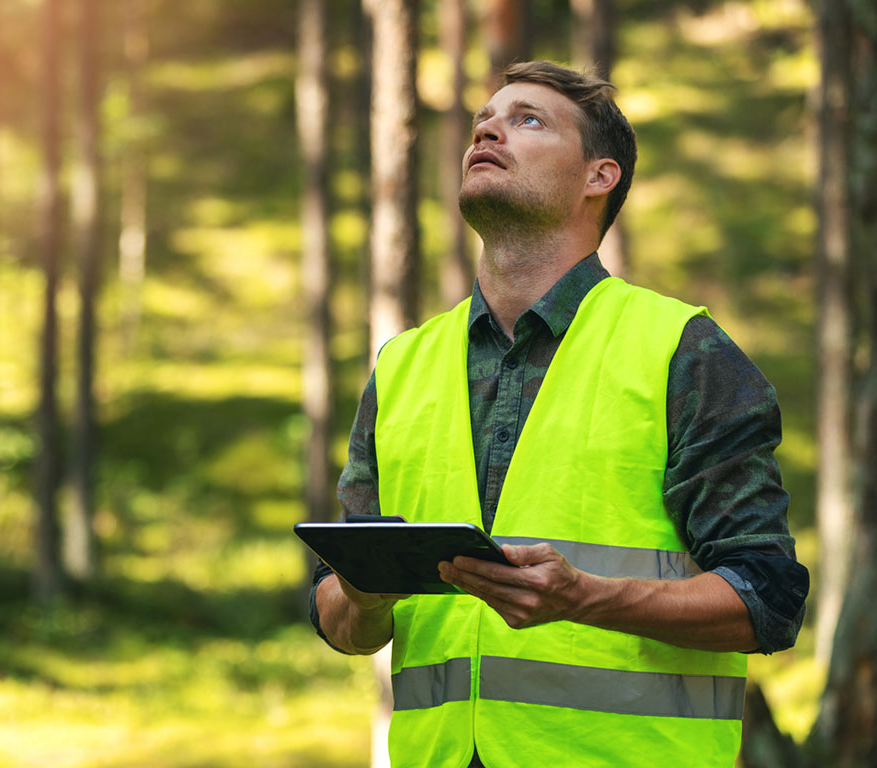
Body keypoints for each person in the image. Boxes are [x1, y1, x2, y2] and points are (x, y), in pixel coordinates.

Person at [309, 60, 808, 768]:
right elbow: (338, 616)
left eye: (528, 120)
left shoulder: (681, 350)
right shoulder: (401, 366)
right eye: (484, 120)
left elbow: (768, 597)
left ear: (599, 177)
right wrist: (364, 600)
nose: (487, 131)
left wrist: (587, 598)